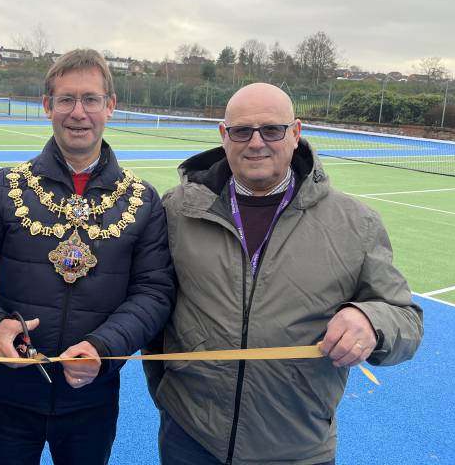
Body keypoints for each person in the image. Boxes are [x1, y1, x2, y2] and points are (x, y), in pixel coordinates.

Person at [145, 82, 423, 465]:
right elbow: (146, 297)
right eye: (242, 130)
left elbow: (407, 320)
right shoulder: (177, 211)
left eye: (272, 129)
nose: (256, 142)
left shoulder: (356, 223)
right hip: (191, 438)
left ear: (296, 133)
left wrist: (371, 320)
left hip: (298, 447)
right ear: (224, 136)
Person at [0, 49, 175, 465]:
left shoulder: (143, 199)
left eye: (91, 99)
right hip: (10, 396)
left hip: (92, 403)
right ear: (47, 106)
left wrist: (105, 346)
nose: (78, 112)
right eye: (65, 99)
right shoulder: (4, 187)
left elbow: (155, 291)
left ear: (110, 107)